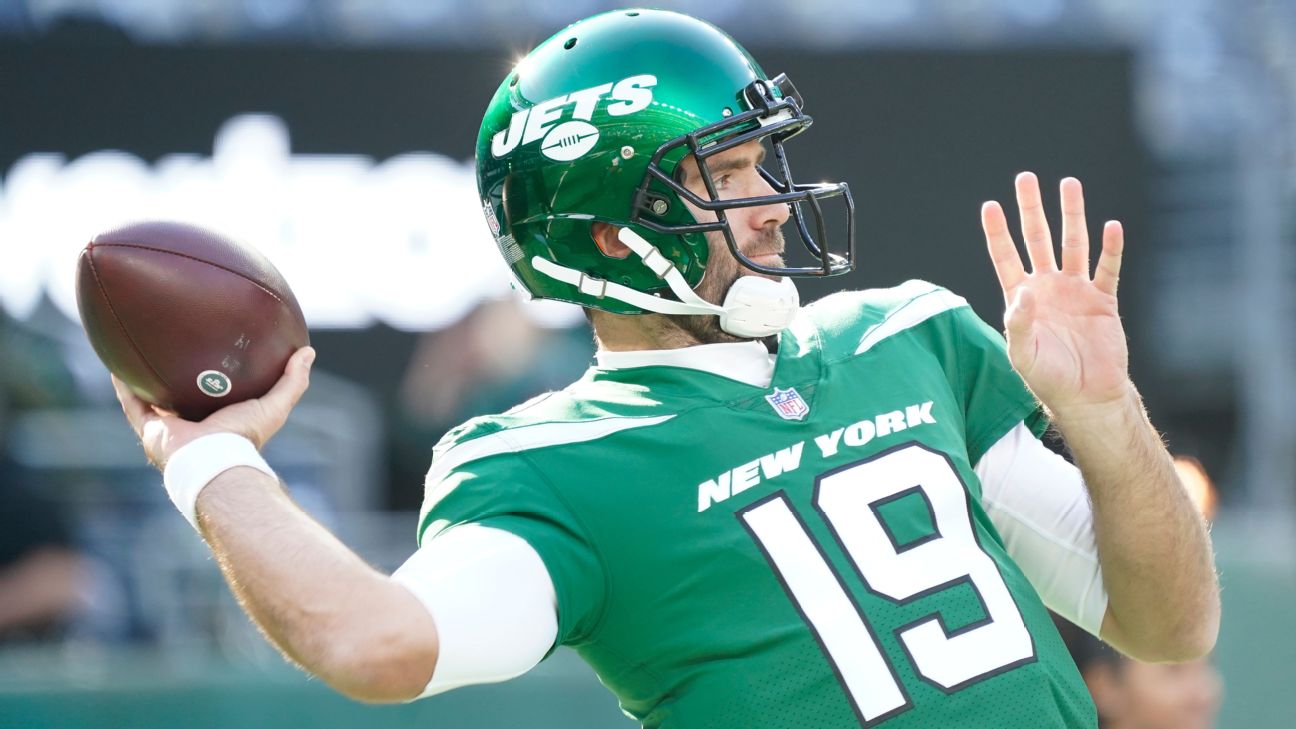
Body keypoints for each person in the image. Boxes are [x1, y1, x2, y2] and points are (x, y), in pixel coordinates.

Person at [108, 9, 1219, 728]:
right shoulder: (553, 464)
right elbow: (375, 642)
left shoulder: (911, 336)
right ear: (605, 235)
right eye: (725, 173)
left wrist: (1107, 412)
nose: (773, 201)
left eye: (763, 159)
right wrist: (210, 468)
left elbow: (1171, 627)